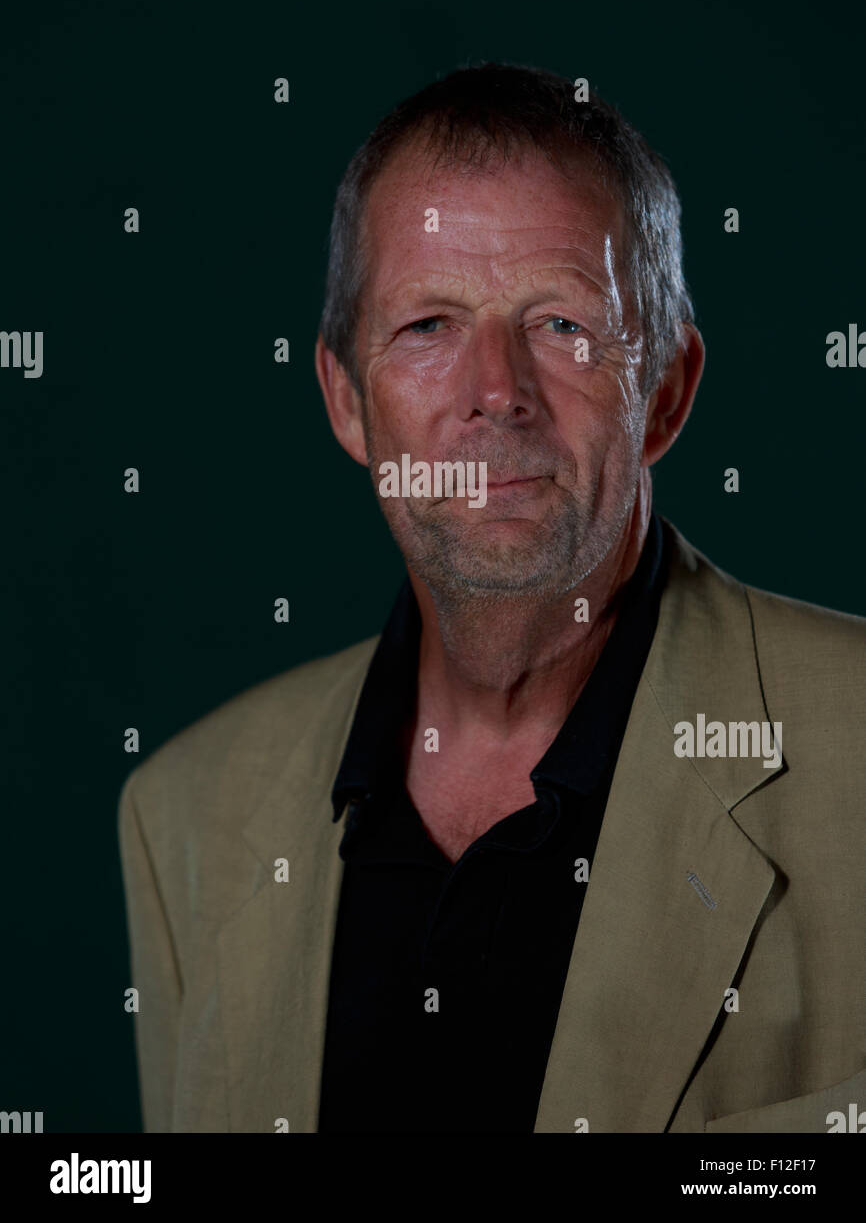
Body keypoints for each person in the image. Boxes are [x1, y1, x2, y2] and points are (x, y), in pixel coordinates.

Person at [118, 62, 866, 1134]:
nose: (495, 393)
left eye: (560, 323)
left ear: (663, 390)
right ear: (344, 401)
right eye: (426, 325)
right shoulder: (183, 818)